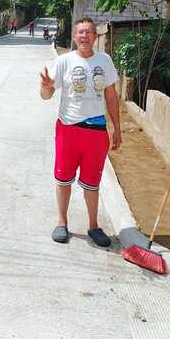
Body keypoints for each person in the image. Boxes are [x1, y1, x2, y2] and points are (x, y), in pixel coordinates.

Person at [39, 17, 122, 247]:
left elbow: (111, 96)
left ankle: (93, 226)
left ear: (95, 37)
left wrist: (117, 128)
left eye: (89, 32)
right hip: (69, 129)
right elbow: (46, 96)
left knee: (92, 182)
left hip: (96, 131)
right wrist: (46, 87)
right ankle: (62, 222)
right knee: (63, 178)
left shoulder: (105, 61)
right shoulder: (64, 61)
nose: (84, 36)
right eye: (80, 32)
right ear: (74, 37)